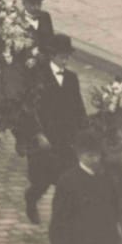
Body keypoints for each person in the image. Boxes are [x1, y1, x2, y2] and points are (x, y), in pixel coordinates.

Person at [22, 33, 83, 225]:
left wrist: (84, 132)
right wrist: (37, 134)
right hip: (45, 140)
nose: (65, 60)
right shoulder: (38, 76)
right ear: (52, 55)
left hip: (66, 140)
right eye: (62, 56)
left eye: (67, 56)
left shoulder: (72, 79)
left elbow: (78, 108)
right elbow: (28, 109)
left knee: (69, 181)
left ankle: (65, 218)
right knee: (42, 181)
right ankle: (31, 198)